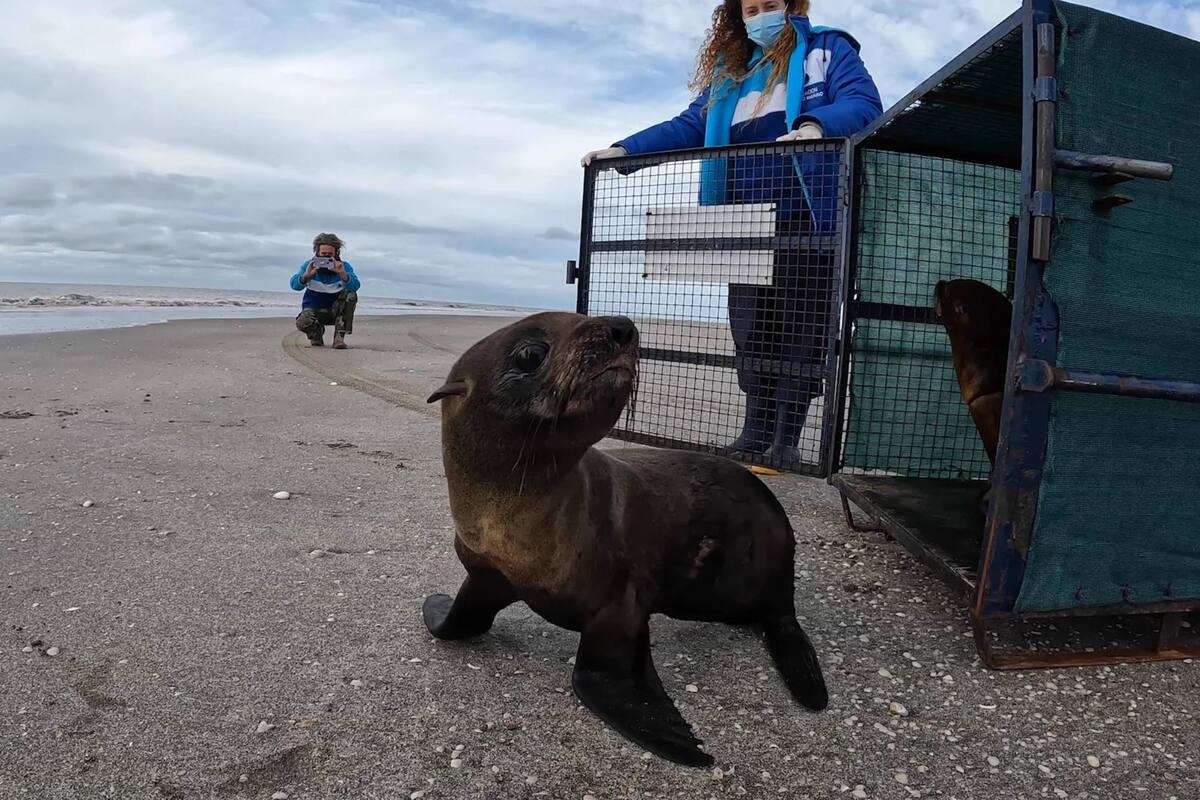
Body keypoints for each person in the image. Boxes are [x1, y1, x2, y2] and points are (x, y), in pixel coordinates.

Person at [582, 0, 882, 468]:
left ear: (792, 6)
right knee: (751, 328)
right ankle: (754, 431)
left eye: (771, 5)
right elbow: (690, 125)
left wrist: (815, 125)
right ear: (738, 15)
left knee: (801, 328)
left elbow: (863, 103)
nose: (760, 14)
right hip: (740, 221)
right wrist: (624, 149)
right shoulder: (730, 73)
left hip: (807, 215)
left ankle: (786, 438)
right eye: (751, 8)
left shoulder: (827, 48)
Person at [289, 233, 361, 349]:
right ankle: (316, 335)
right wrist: (306, 276)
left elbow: (355, 286)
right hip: (314, 311)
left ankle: (339, 338)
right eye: (323, 254)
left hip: (336, 312)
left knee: (351, 294)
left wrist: (342, 273)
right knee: (302, 321)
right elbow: (294, 285)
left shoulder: (344, 266)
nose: (326, 258)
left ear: (336, 253)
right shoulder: (309, 266)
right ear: (317, 253)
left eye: (330, 255)